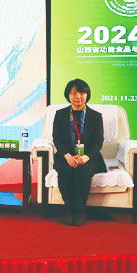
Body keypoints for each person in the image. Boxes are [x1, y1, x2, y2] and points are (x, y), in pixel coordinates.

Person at [52, 79, 105, 226]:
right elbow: (57, 139)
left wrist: (85, 157)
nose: (78, 97)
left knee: (82, 170)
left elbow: (98, 142)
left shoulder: (96, 116)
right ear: (68, 95)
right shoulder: (60, 114)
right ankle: (69, 209)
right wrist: (67, 156)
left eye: (82, 93)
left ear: (87, 95)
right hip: (66, 156)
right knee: (65, 169)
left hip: (89, 157)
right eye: (74, 93)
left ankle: (80, 211)